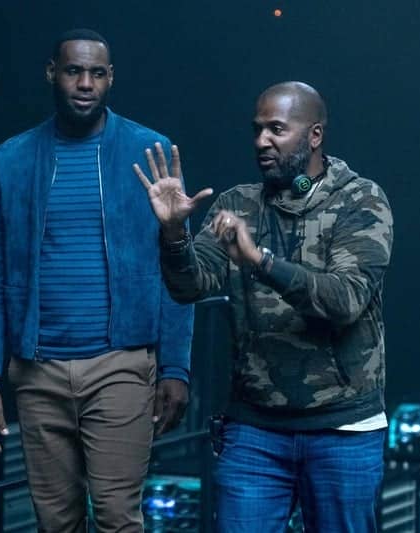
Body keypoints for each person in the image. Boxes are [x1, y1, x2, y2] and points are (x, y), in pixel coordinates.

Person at [134, 81, 393, 532]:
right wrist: (174, 234)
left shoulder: (361, 200)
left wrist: (260, 261)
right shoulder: (237, 204)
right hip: (255, 430)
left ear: (314, 135)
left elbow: (345, 299)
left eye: (276, 129)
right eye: (257, 130)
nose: (261, 141)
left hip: (343, 429)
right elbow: (190, 286)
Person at [0, 28, 194, 533]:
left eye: (97, 73)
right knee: (56, 523)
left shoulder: (150, 152)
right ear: (52, 73)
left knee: (117, 518)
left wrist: (176, 367)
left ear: (111, 78)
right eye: (74, 71)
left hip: (120, 364)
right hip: (38, 370)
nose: (85, 84)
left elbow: (178, 269)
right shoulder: (10, 161)